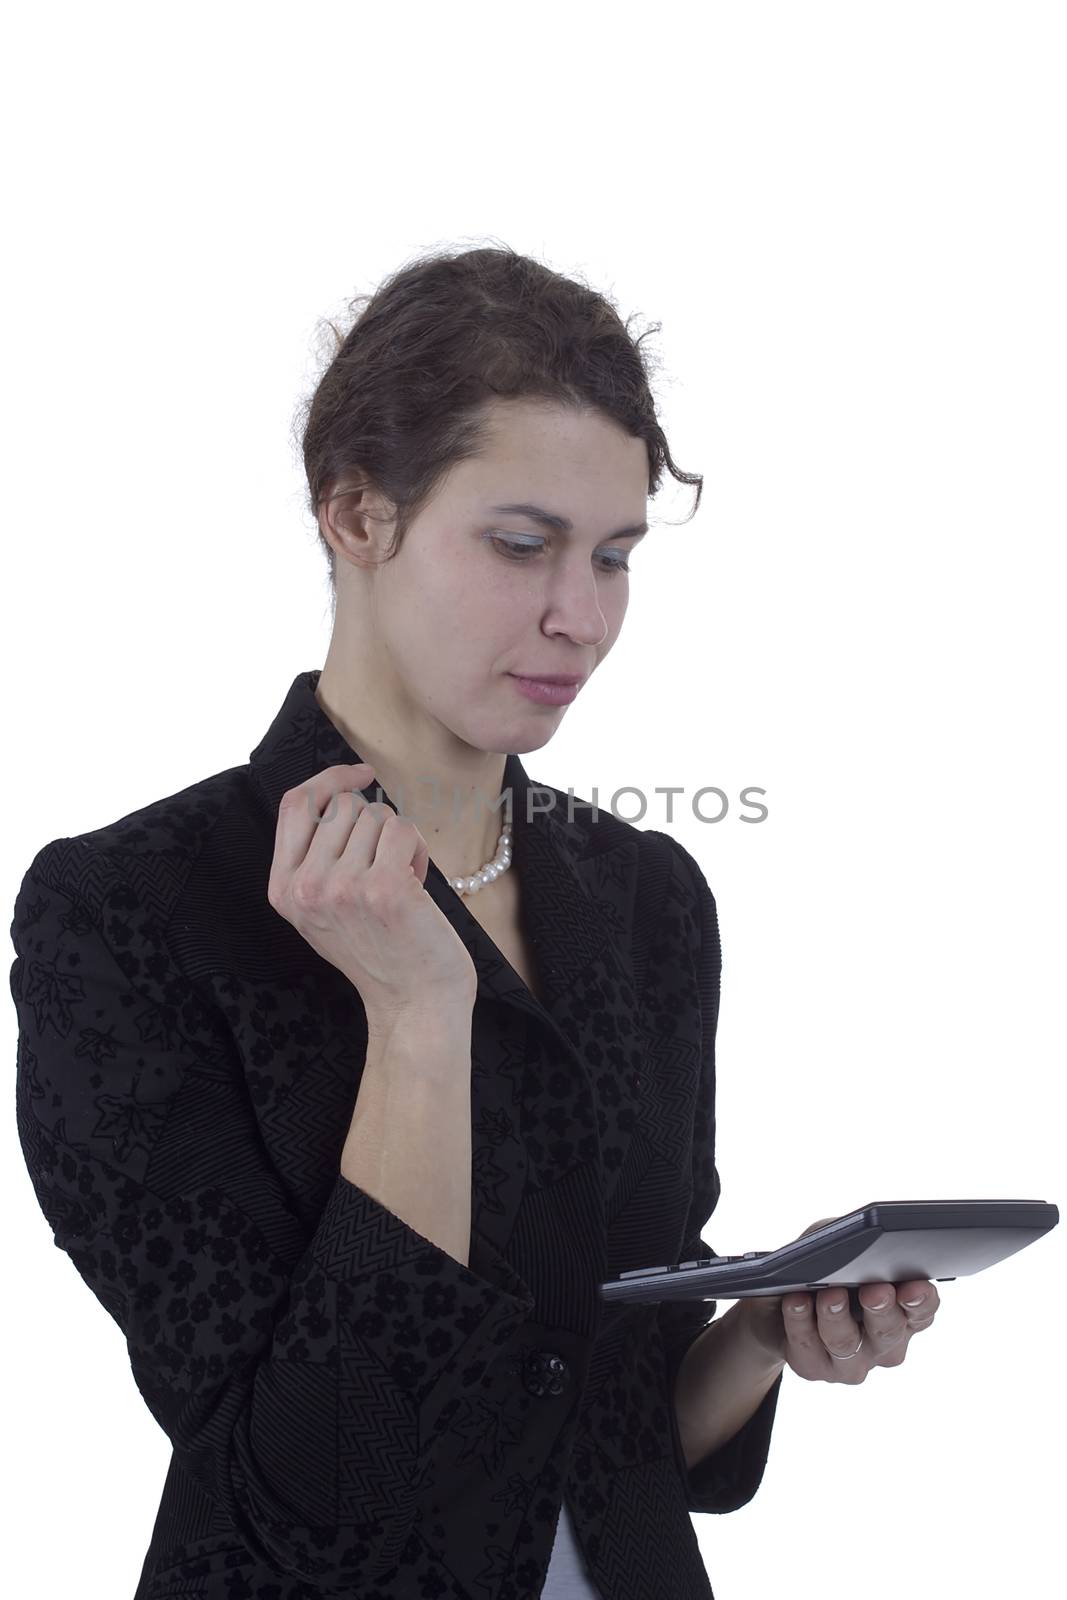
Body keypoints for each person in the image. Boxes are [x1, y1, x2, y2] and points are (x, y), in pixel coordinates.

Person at [10, 244, 937, 1600]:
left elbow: (619, 1433)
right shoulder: (130, 911)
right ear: (355, 515)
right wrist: (417, 1018)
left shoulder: (648, 900)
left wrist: (755, 1338)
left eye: (615, 557)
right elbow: (318, 1485)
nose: (582, 617)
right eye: (521, 546)